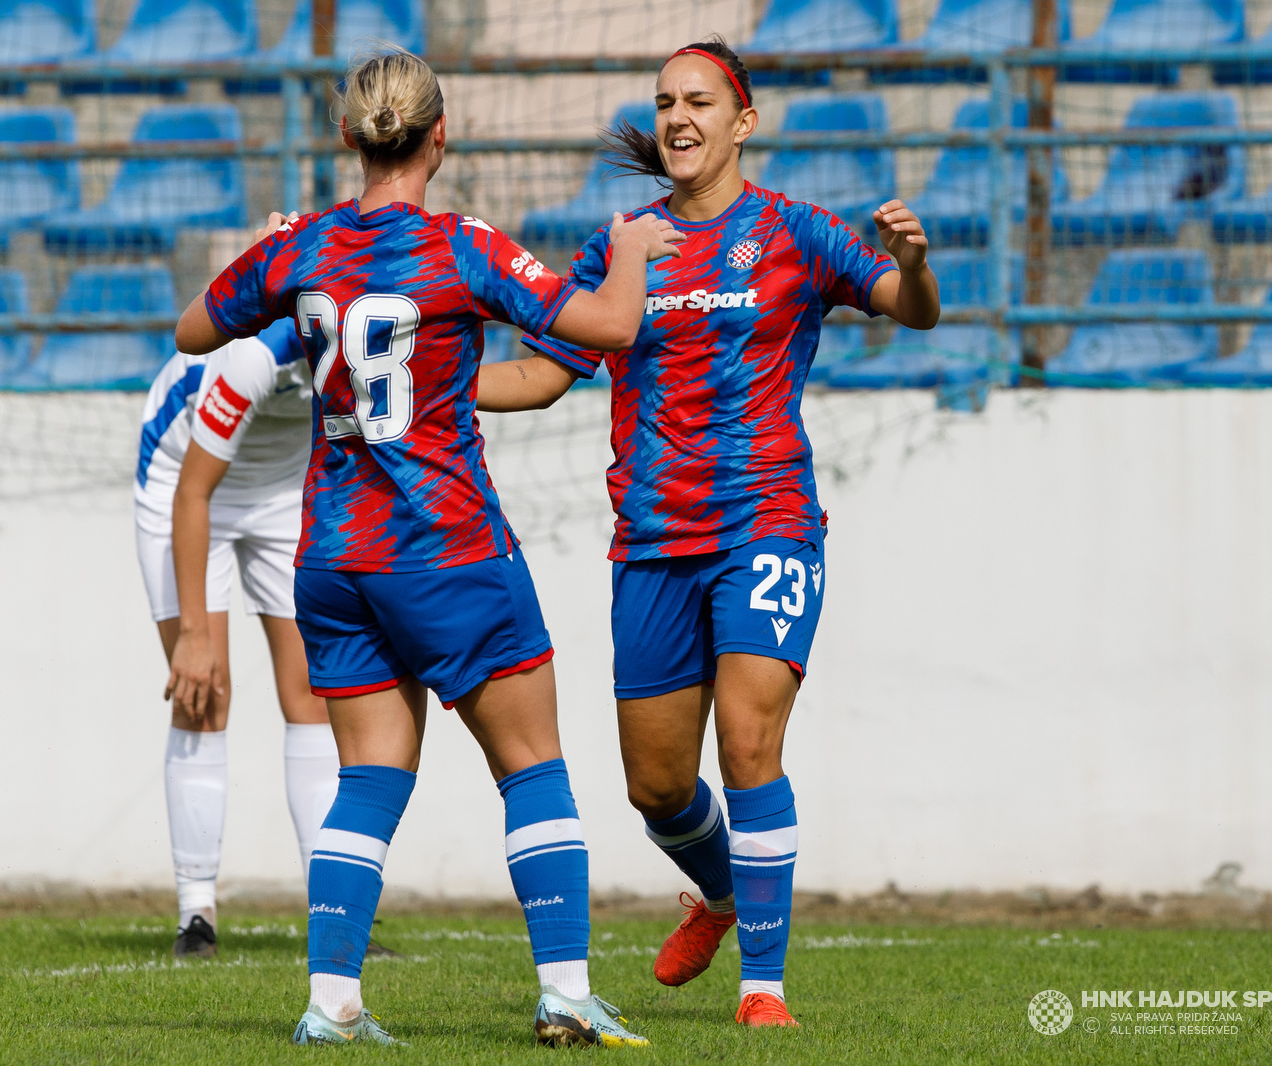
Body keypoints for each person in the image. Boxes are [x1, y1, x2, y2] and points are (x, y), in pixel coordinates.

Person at [171, 46, 685, 1047]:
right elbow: (613, 327)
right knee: (530, 763)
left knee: (367, 778)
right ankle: (567, 992)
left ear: (346, 138)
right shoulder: (463, 248)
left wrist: (256, 253)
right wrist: (629, 250)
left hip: (333, 558)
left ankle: (332, 1004)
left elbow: (194, 330)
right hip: (445, 546)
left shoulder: (304, 246)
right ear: (440, 136)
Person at [476, 37, 940, 1029]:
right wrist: (440, 387)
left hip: (765, 520)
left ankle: (763, 990)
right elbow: (546, 372)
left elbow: (912, 311)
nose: (677, 118)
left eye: (697, 100)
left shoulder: (797, 233)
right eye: (663, 102)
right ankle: (722, 895)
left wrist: (910, 262)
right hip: (650, 538)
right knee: (655, 785)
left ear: (743, 119)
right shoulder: (621, 245)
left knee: (748, 737)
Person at [136, 232, 339, 958]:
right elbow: (194, 491)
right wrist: (194, 632)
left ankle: (332, 909)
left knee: (315, 693)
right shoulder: (257, 353)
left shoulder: (368, 324)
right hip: (183, 483)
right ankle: (198, 913)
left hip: (281, 489)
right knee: (205, 690)